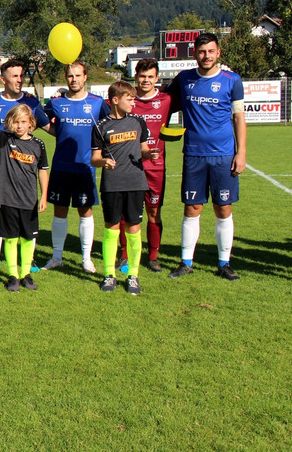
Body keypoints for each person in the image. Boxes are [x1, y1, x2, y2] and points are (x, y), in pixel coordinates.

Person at [166, 33, 246, 281]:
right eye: (202, 51)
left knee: (223, 208)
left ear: (218, 53)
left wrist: (241, 152)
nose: (206, 56)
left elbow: (239, 118)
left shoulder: (232, 80)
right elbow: (163, 103)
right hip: (193, 155)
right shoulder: (184, 79)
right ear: (194, 54)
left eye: (211, 51)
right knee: (192, 208)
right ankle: (186, 262)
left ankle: (224, 263)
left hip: (223, 155)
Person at [0, 60, 51, 272]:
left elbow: (47, 127)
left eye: (21, 76)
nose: (19, 80)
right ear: (3, 79)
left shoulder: (31, 102)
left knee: (25, 215)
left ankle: (28, 261)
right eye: (14, 76)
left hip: (25, 171)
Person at [91, 81, 159, 295]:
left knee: (133, 228)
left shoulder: (139, 121)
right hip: (112, 184)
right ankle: (109, 274)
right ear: (115, 100)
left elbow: (144, 149)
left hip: (136, 183)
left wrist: (151, 153)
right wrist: (104, 163)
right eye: (129, 98)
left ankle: (133, 276)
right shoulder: (100, 126)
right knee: (111, 228)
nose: (133, 102)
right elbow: (94, 159)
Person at [43, 61, 110, 273]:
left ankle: (86, 258)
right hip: (61, 166)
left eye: (78, 75)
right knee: (59, 212)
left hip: (85, 167)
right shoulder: (56, 103)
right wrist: (57, 131)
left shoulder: (98, 103)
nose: (74, 80)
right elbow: (37, 117)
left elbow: (109, 125)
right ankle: (56, 257)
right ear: (66, 79)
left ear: (85, 77)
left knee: (85, 211)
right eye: (71, 76)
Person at [118, 58, 171, 272]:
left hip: (156, 167)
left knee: (153, 211)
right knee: (126, 212)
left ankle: (153, 256)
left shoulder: (167, 100)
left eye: (150, 76)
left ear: (157, 78)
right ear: (136, 77)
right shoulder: (127, 101)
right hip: (130, 166)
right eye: (142, 76)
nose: (146, 80)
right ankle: (124, 255)